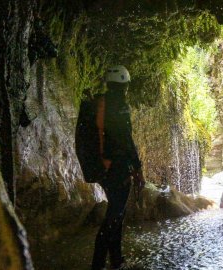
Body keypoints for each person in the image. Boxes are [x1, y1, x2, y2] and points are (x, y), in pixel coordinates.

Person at [88, 65, 144, 270]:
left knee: (117, 213)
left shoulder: (99, 102)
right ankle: (98, 263)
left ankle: (116, 259)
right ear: (125, 85)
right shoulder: (120, 105)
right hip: (117, 167)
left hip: (103, 166)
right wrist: (137, 167)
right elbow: (126, 140)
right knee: (114, 215)